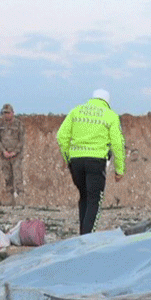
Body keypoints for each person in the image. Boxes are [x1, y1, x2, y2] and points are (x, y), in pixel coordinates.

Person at [56, 89, 125, 234]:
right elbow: (117, 144)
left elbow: (61, 136)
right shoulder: (110, 116)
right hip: (96, 162)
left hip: (76, 162)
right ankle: (87, 239)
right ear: (107, 102)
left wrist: (68, 159)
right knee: (94, 201)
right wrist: (120, 170)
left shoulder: (76, 112)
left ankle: (82, 235)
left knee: (84, 197)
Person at [0, 103, 25, 203]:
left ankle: (21, 199)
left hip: (16, 156)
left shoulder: (19, 124)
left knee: (18, 177)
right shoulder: (0, 125)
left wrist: (14, 152)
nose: (6, 115)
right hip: (4, 156)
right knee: (7, 177)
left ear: (12, 113)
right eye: (4, 113)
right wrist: (4, 151)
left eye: (8, 113)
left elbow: (21, 141)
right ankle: (9, 200)